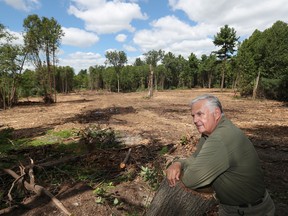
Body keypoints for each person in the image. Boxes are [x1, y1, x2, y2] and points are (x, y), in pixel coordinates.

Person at [166, 94, 275, 216]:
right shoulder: (210, 133)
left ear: (216, 113)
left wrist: (180, 172)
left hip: (250, 212)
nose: (195, 120)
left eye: (200, 114)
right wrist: (178, 163)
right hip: (233, 208)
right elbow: (194, 158)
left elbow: (191, 180)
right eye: (193, 116)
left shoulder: (220, 138)